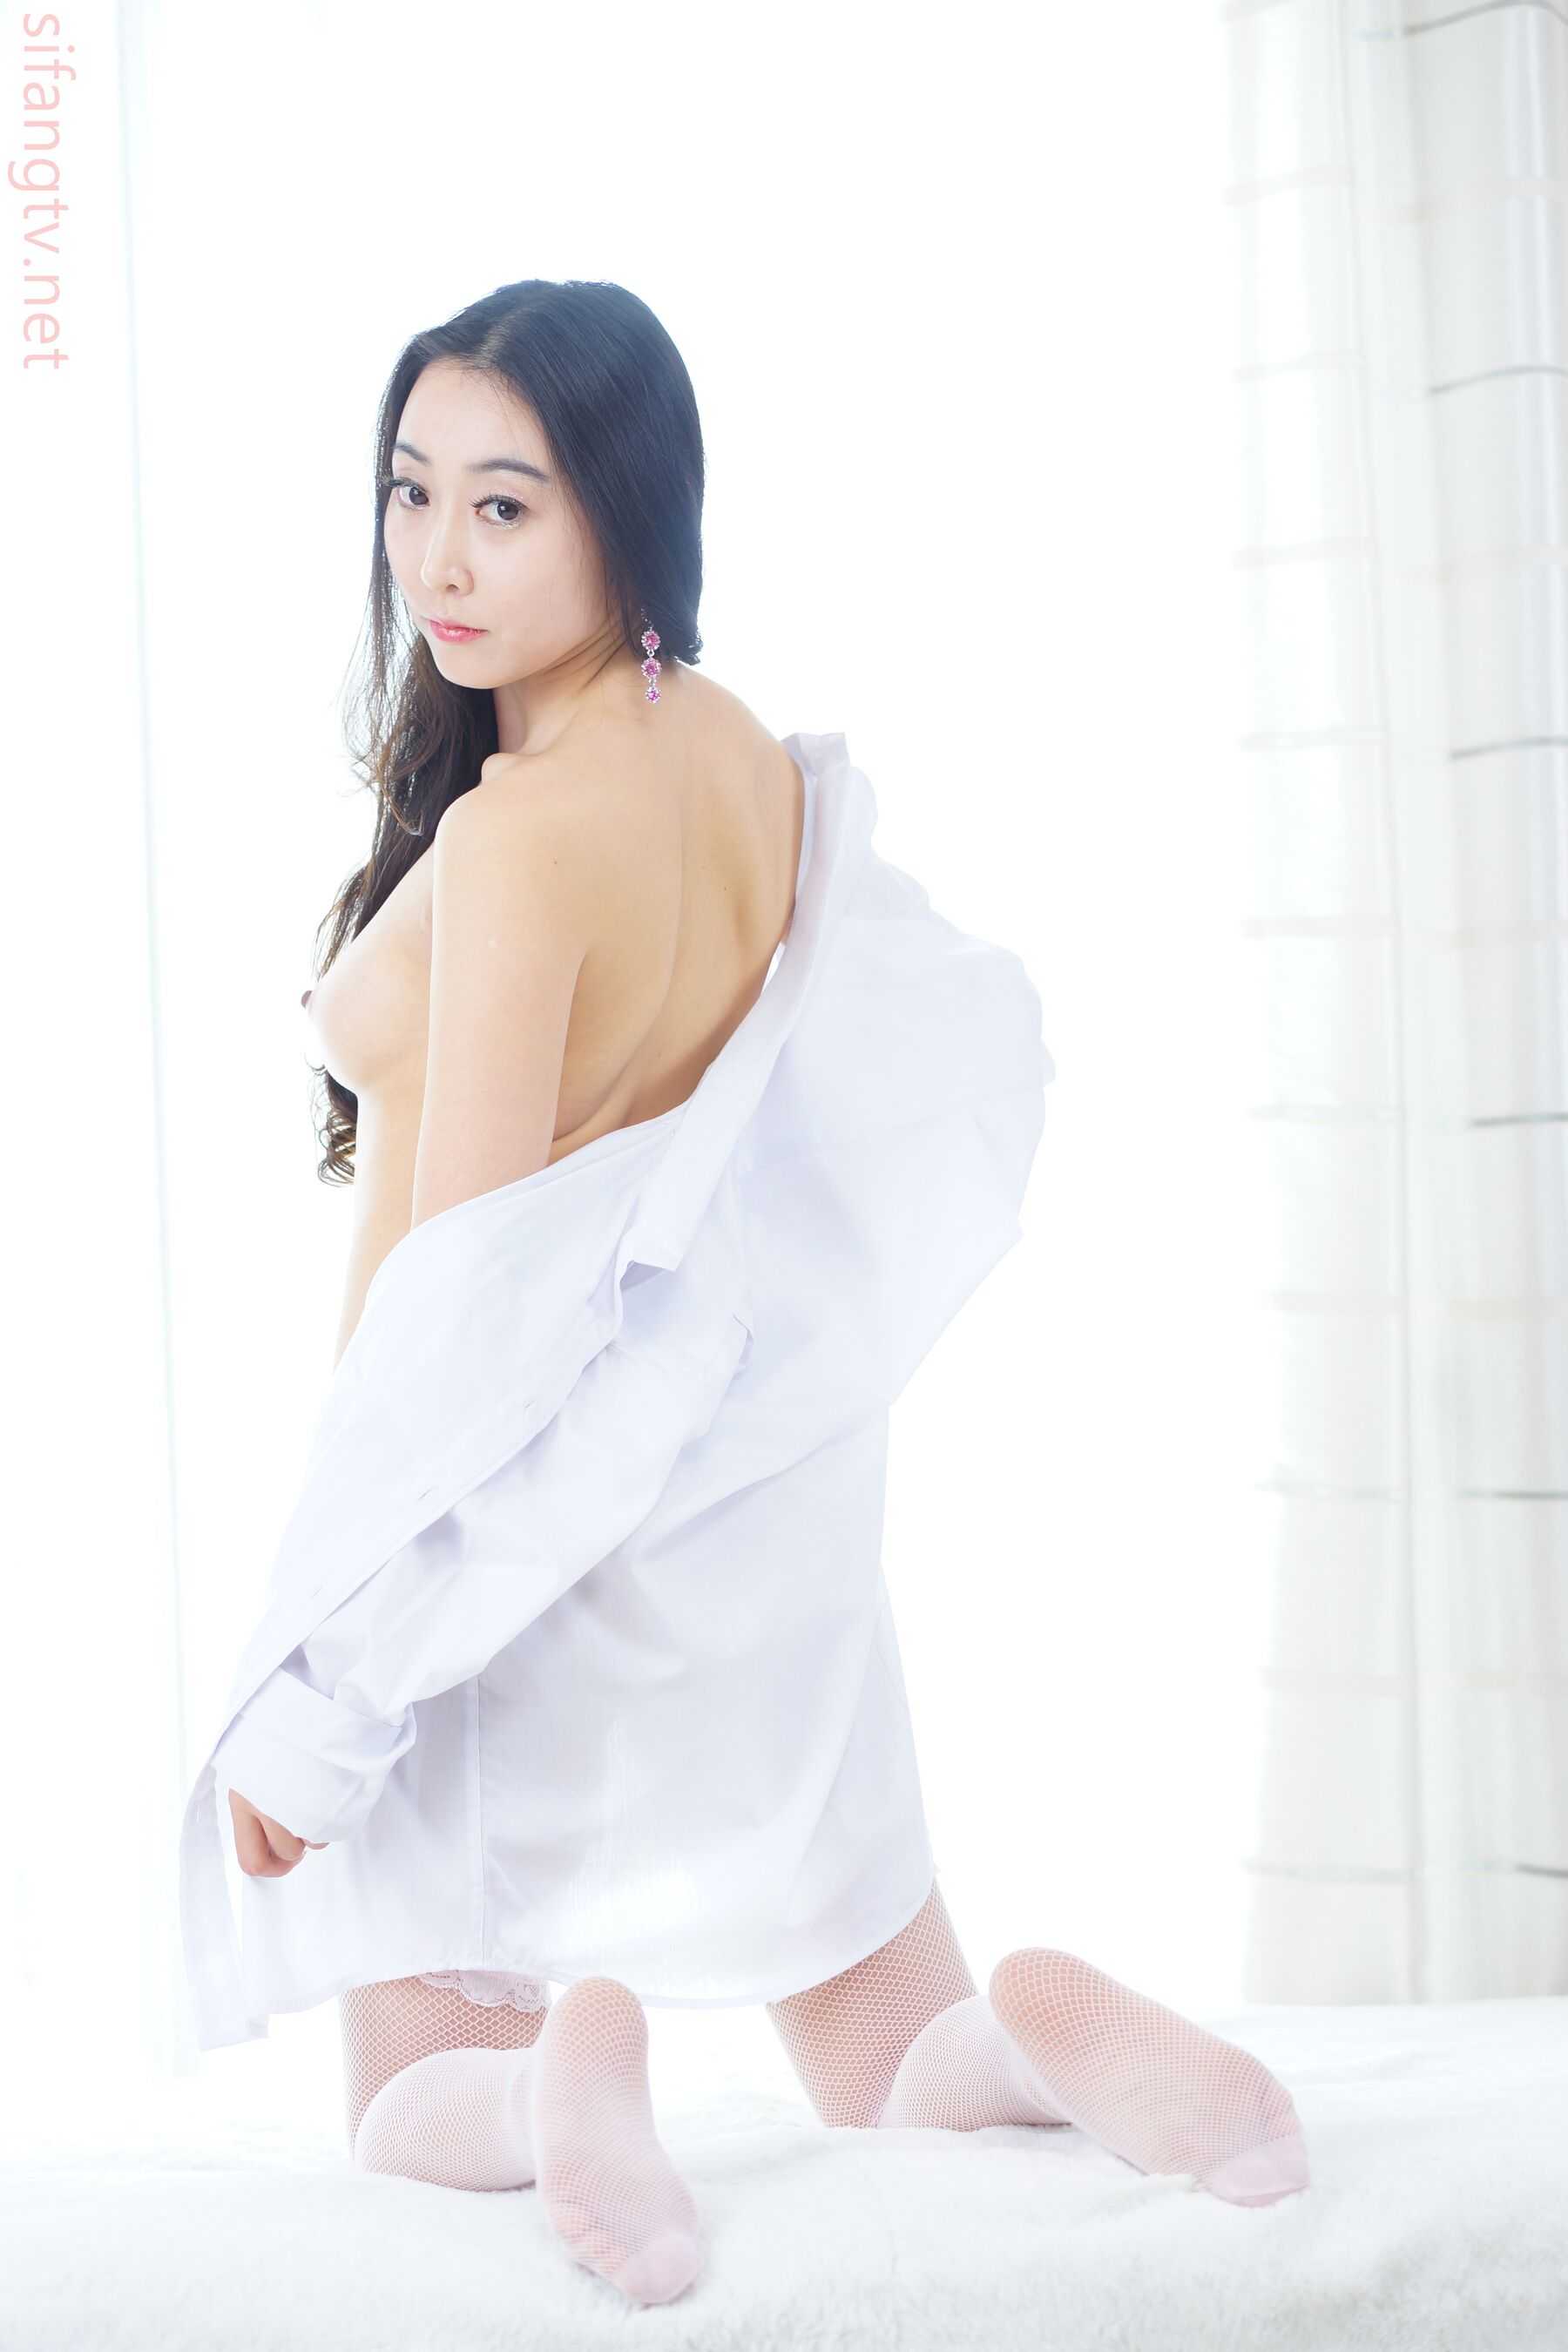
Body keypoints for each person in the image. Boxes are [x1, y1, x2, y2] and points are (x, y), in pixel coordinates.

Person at [182, 279, 1308, 2312]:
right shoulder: (734, 753)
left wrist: (330, 1696)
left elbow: (467, 1314)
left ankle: (543, 2095)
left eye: (506, 505)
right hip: (750, 1513)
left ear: (627, 508)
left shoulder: (524, 838)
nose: (439, 558)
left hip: (529, 1545)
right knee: (886, 2046)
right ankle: (1032, 2065)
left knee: (405, 2098)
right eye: (412, 491)